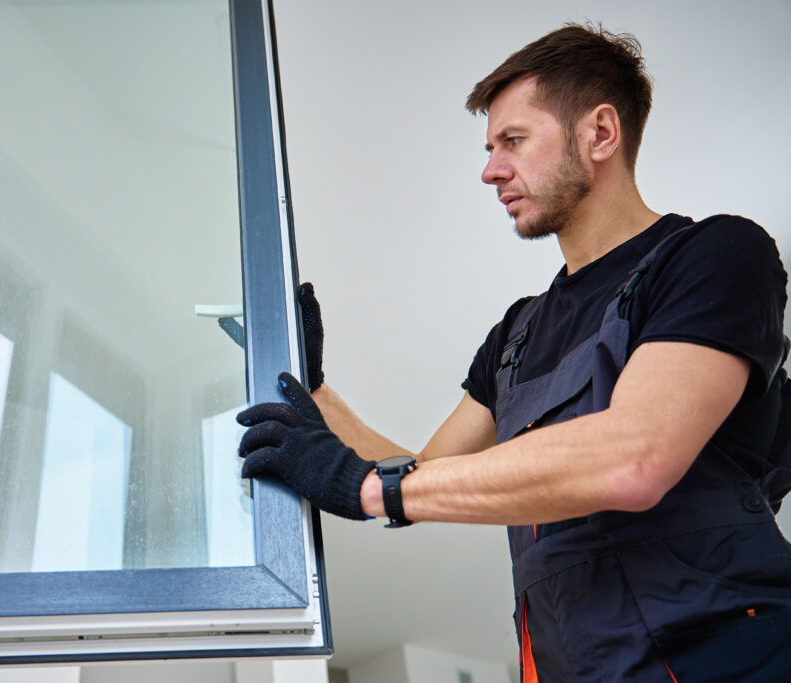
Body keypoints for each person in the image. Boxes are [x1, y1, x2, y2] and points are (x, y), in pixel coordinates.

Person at [237, 23, 791, 682]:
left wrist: (369, 489)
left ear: (600, 133)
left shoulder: (714, 256)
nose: (491, 170)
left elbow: (635, 458)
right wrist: (313, 389)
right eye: (490, 148)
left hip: (722, 661)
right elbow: (424, 473)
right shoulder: (517, 333)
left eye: (514, 141)